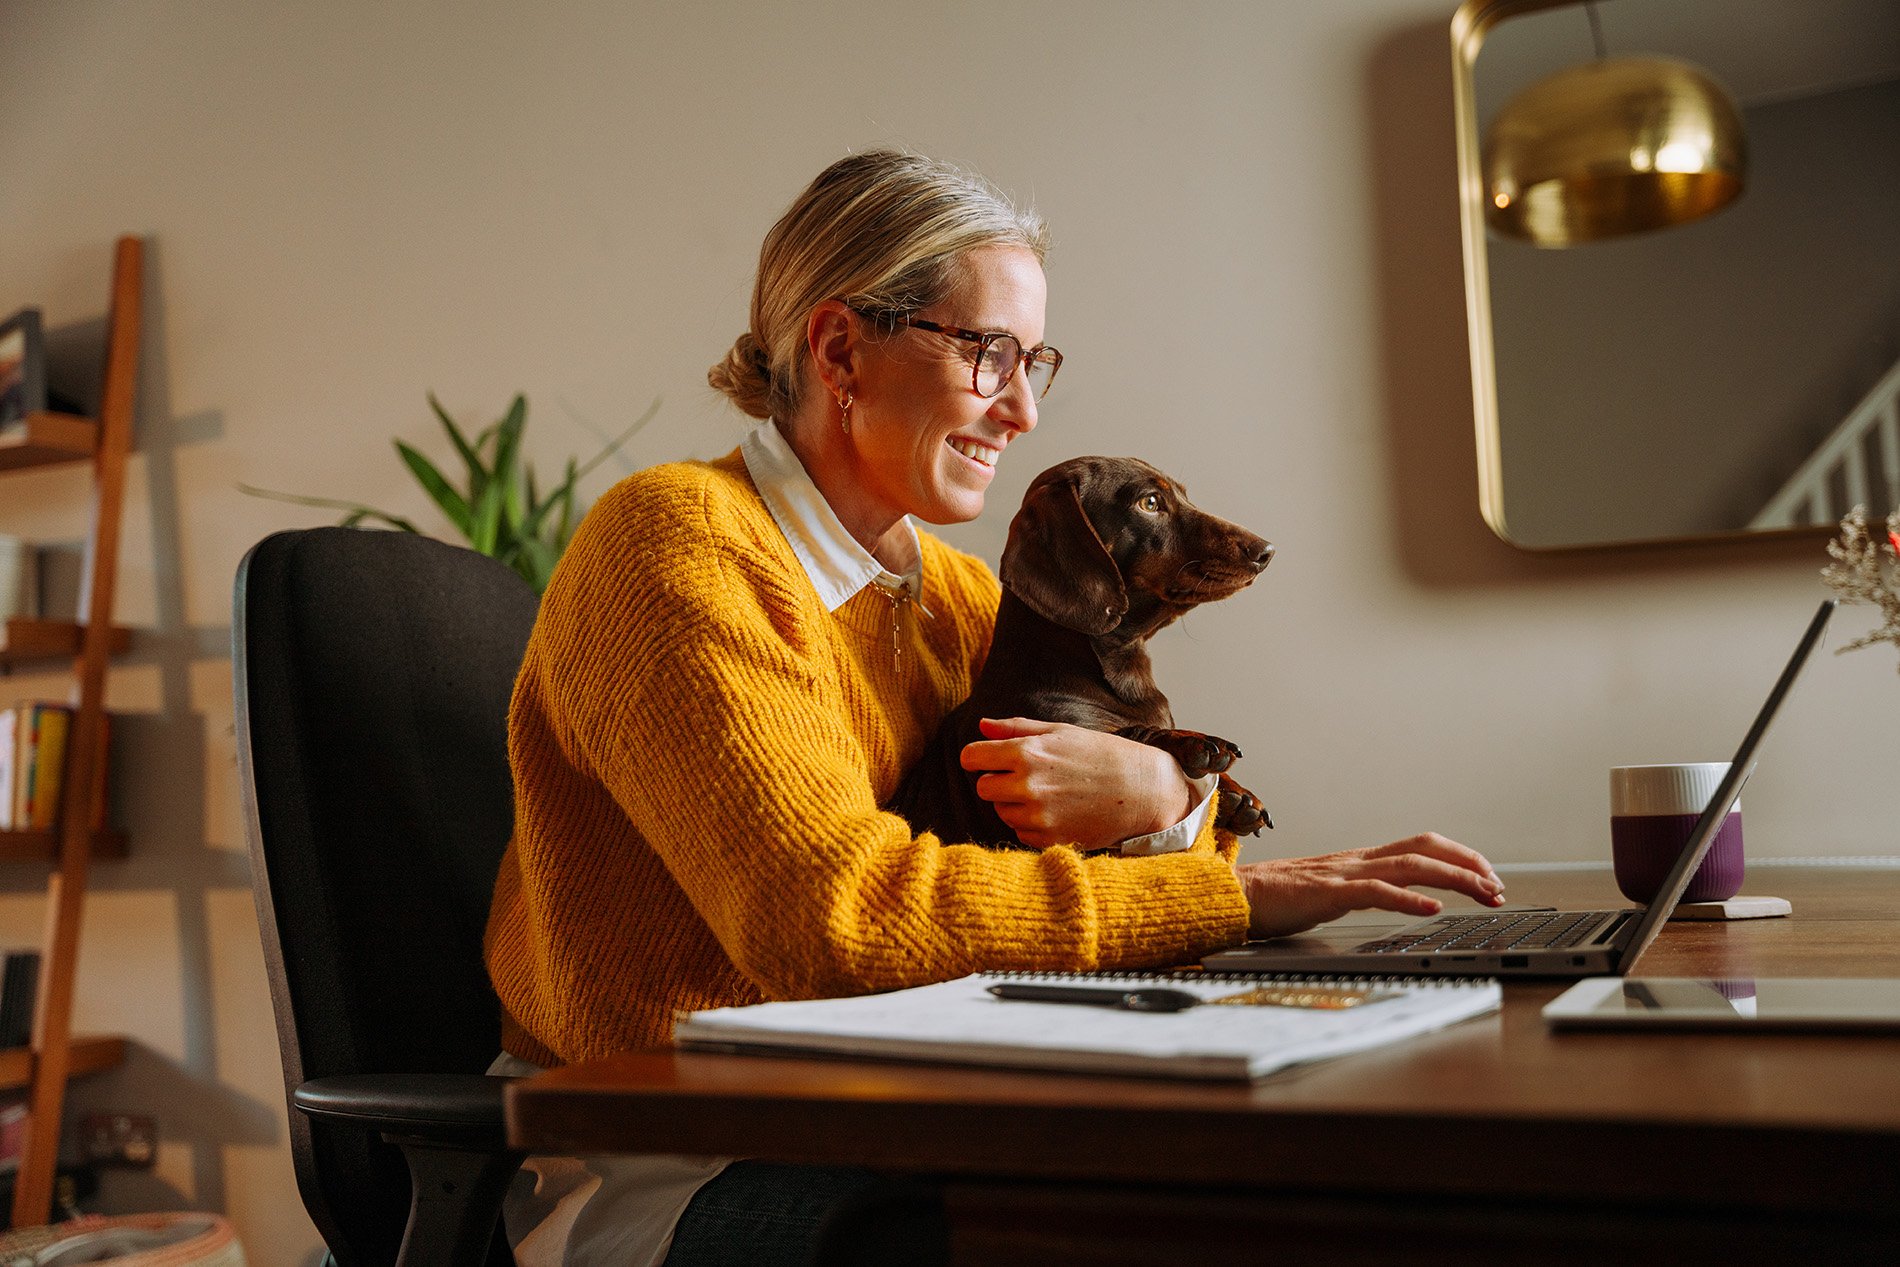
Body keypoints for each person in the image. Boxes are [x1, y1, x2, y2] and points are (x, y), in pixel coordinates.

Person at [483, 148, 1505, 1266]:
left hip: (897, 1107)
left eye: (1036, 362)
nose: (1020, 409)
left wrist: (1162, 793)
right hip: (680, 1158)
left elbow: (1156, 861)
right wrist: (1236, 897)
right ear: (839, 350)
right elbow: (837, 924)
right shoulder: (677, 542)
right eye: (986, 352)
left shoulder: (962, 599)